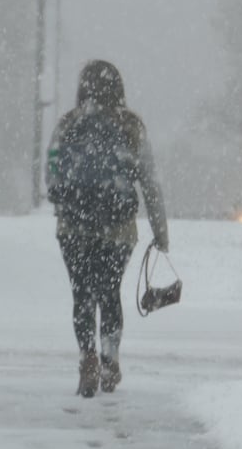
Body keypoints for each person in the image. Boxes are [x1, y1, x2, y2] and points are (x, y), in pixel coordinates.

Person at [46, 59, 169, 398]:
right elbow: (149, 181)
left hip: (73, 228)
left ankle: (87, 358)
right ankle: (110, 358)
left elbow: (51, 172)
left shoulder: (67, 124)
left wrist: (69, 206)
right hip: (117, 229)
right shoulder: (131, 126)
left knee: (82, 294)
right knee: (109, 291)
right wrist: (161, 231)